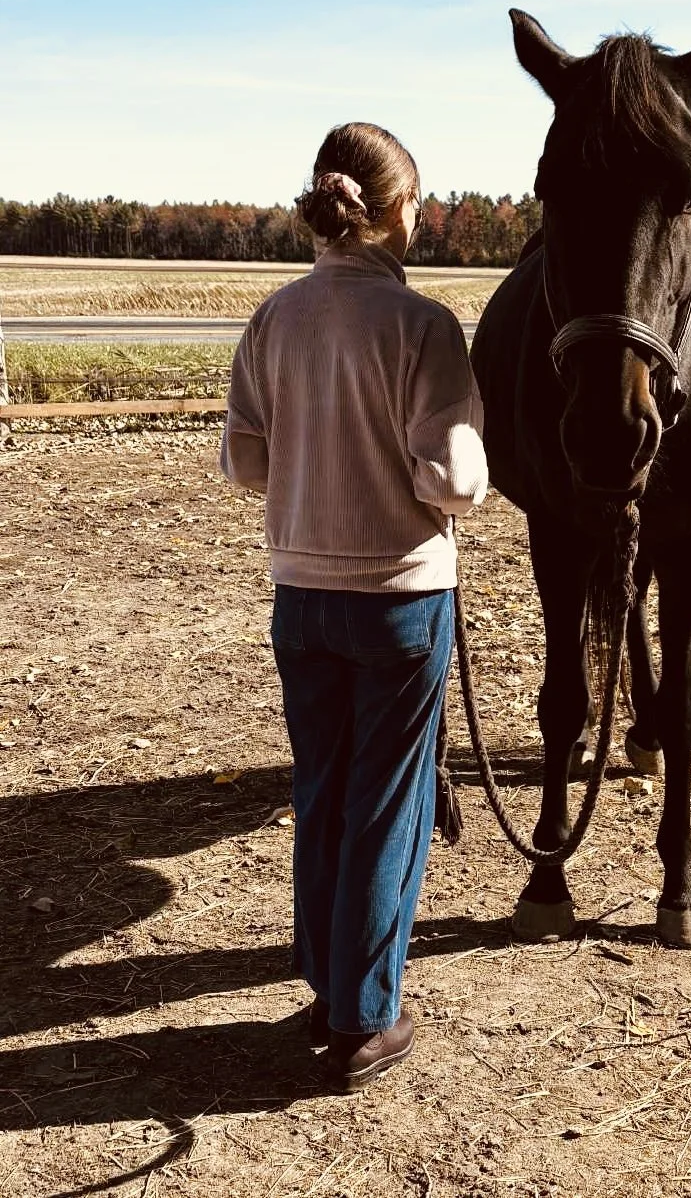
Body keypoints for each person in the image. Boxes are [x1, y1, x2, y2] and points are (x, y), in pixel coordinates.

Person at [221, 122, 488, 1092]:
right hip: (399, 603)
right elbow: (456, 480)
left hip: (299, 596)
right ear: (390, 211)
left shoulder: (273, 316)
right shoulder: (421, 326)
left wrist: (314, 467)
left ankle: (327, 983)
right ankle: (366, 1018)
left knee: (322, 791)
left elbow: (242, 459)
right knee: (389, 804)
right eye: (415, 204)